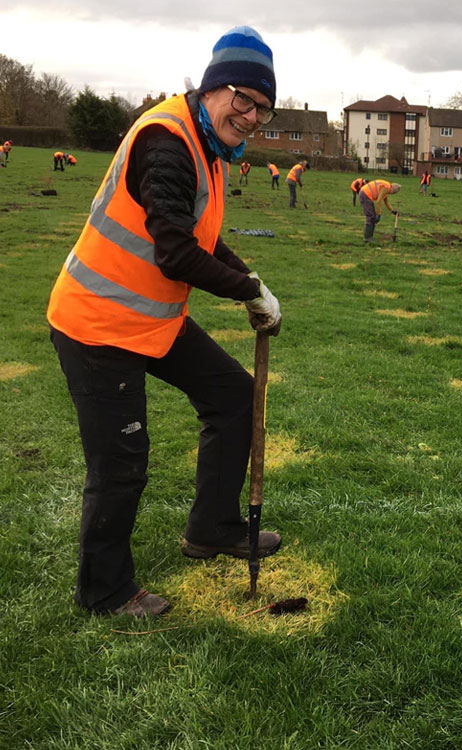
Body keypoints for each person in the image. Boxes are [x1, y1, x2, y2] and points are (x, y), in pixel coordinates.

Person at [46, 25, 283, 618]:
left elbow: (202, 237)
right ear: (212, 90)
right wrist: (246, 290)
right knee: (121, 463)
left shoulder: (211, 146)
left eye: (264, 108)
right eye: (244, 100)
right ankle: (104, 591)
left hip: (150, 320)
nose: (252, 117)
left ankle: (213, 528)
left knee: (233, 396)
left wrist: (251, 280)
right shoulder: (167, 140)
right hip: (97, 323)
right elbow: (174, 252)